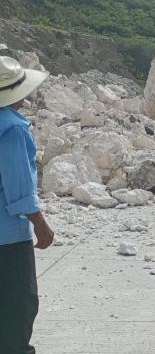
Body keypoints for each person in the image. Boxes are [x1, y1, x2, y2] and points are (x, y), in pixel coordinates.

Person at [0, 56, 55, 354]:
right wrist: (41, 225)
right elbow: (18, 187)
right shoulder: (12, 128)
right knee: (17, 306)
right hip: (6, 238)